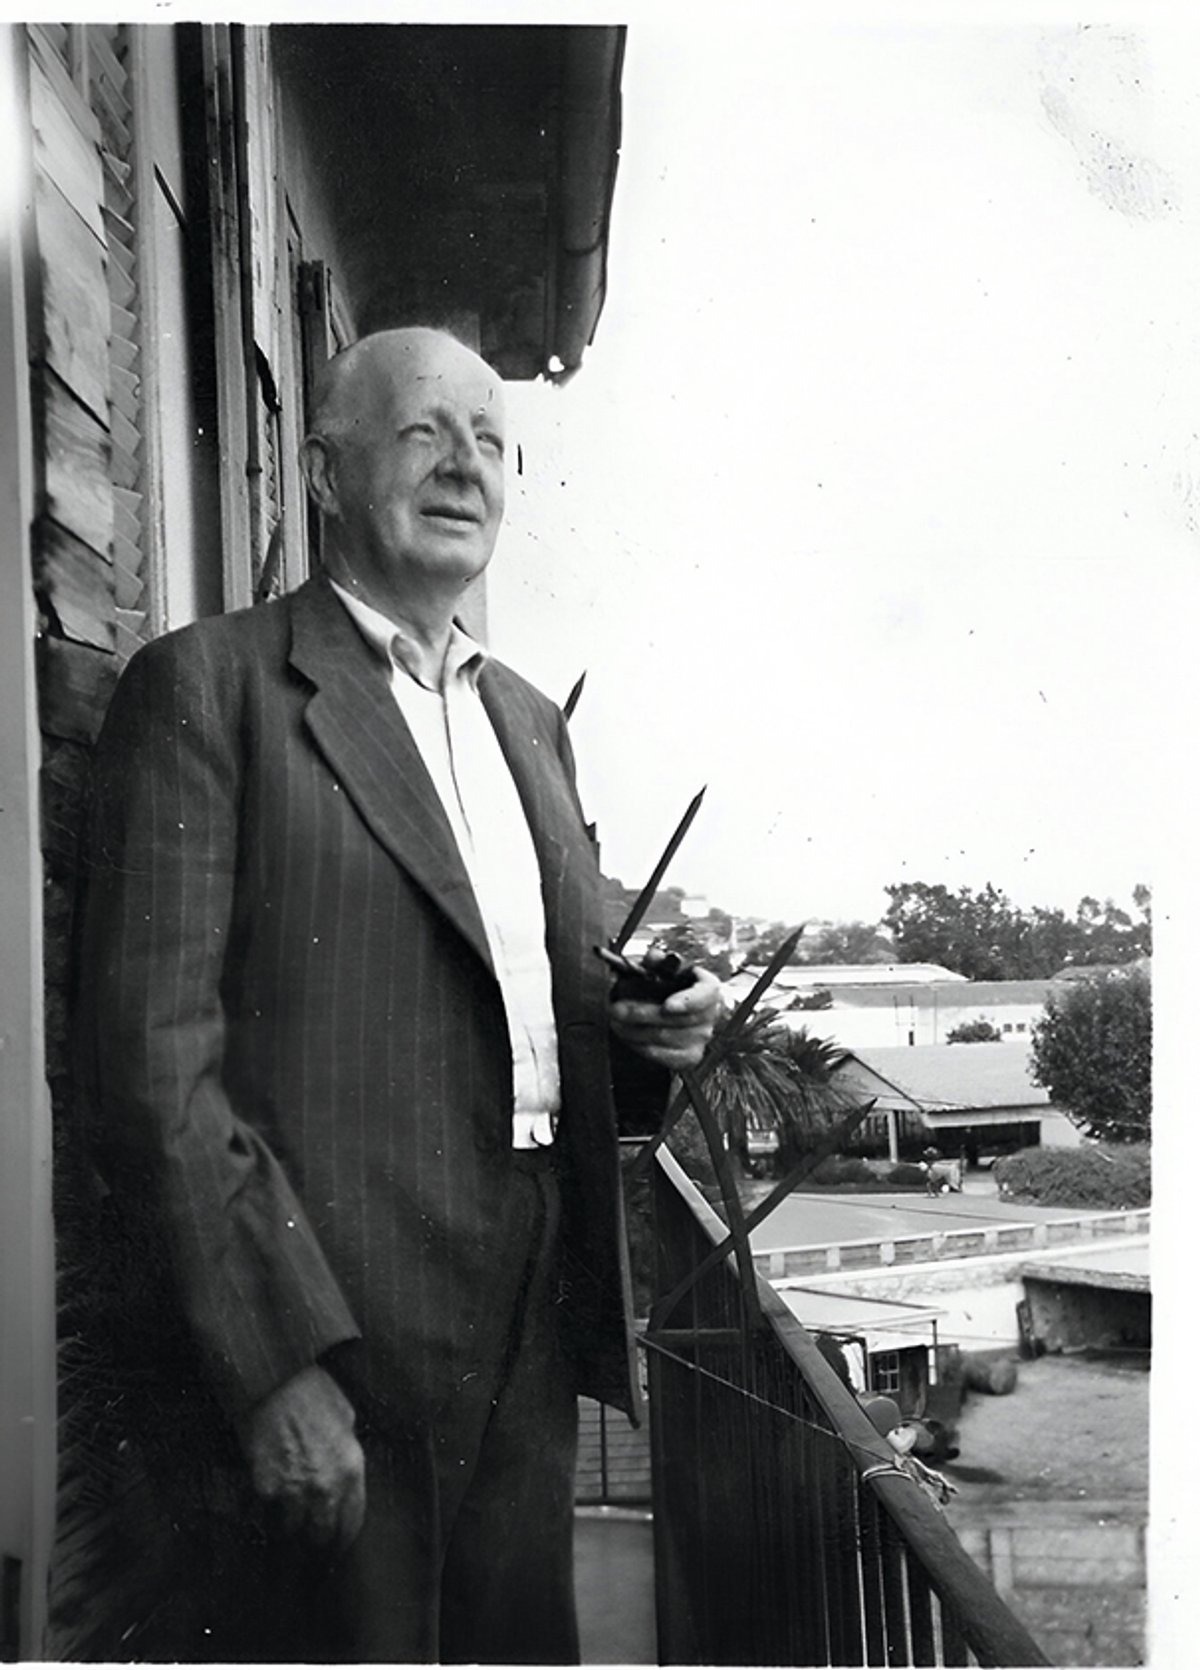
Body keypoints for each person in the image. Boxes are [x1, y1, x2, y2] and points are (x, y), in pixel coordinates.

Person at [76, 327, 721, 1663]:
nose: (463, 465)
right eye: (423, 432)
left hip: (530, 1324)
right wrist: (270, 1365)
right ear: (324, 470)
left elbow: (545, 1009)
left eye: (490, 441)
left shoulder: (530, 724)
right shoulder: (212, 690)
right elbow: (151, 1070)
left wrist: (649, 1032)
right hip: (337, 1332)